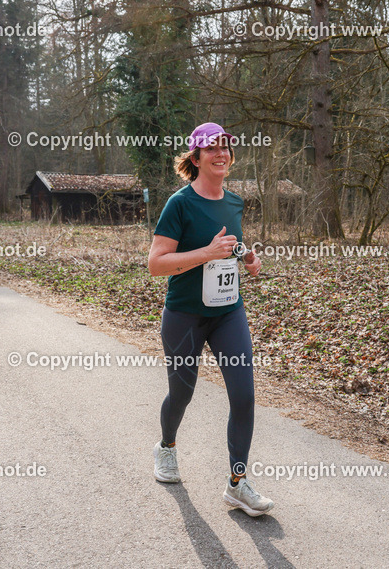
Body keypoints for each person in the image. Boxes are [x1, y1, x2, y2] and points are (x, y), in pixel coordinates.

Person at [147, 122, 273, 517]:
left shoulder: (233, 202)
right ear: (196, 157)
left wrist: (246, 257)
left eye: (226, 148)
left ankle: (237, 484)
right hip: (184, 316)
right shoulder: (179, 204)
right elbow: (156, 264)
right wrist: (205, 252)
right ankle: (166, 447)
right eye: (212, 148)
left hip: (228, 313)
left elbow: (229, 244)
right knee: (182, 394)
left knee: (245, 395)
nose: (221, 154)